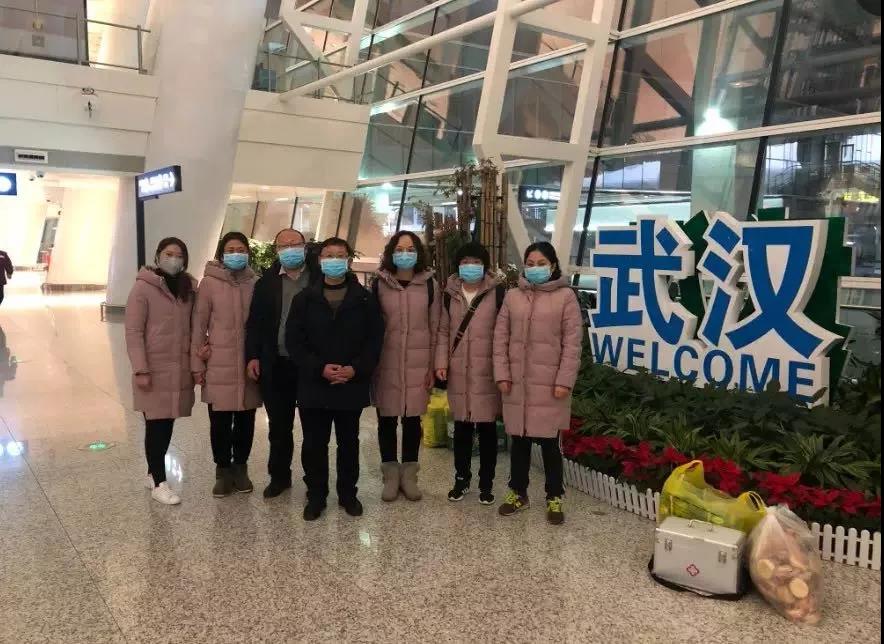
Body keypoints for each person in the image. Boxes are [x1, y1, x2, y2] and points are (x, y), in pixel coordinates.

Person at [287, 237, 384, 521]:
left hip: (350, 384)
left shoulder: (365, 299)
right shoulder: (304, 299)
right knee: (314, 444)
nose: (334, 260)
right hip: (313, 384)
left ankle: (348, 494)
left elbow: (374, 341)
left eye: (340, 255)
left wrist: (355, 369)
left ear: (349, 260)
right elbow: (294, 341)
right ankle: (316, 495)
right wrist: (319, 368)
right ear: (320, 261)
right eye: (328, 255)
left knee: (348, 443)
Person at [493, 241, 583, 525]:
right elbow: (500, 339)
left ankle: (554, 495)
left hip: (551, 386)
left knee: (550, 445)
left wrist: (564, 380)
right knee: (518, 442)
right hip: (517, 384)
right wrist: (502, 374)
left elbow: (572, 344)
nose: (535, 269)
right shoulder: (513, 297)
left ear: (553, 265)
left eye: (541, 264)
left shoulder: (566, 297)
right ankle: (518, 493)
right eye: (530, 264)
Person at [124, 238, 197, 505]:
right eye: (168, 254)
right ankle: (159, 483)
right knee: (157, 425)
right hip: (153, 369)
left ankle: (151, 473)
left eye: (179, 255)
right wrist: (140, 369)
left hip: (178, 368)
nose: (174, 259)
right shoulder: (142, 288)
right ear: (157, 256)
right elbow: (133, 332)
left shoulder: (188, 289)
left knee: (167, 422)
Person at [372, 231, 440, 502]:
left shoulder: (430, 284)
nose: (405, 254)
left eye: (410, 249)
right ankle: (390, 474)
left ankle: (409, 475)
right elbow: (371, 326)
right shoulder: (379, 283)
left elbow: (436, 327)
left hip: (418, 363)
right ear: (391, 252)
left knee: (412, 420)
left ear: (418, 253)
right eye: (399, 249)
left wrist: (434, 366)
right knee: (386, 419)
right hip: (385, 362)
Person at [192, 232, 262, 498]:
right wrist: (197, 363)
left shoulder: (255, 282)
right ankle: (222, 470)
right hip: (218, 362)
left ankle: (240, 468)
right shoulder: (209, 283)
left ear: (248, 253)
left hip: (248, 363)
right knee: (219, 422)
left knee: (246, 420)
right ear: (222, 254)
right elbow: (198, 325)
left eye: (241, 249)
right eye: (231, 250)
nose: (236, 254)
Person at [245, 228, 314, 498]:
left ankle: (313, 479)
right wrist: (252, 355)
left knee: (313, 428)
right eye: (284, 245)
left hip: (310, 364)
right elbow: (255, 323)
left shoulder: (318, 277)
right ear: (276, 250)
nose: (290, 249)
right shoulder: (266, 283)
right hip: (276, 363)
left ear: (305, 246)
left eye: (295, 244)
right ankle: (279, 477)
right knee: (279, 427)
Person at [435, 242, 505, 505]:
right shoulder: (449, 294)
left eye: (476, 262)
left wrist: (501, 369)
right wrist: (441, 362)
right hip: (458, 372)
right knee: (462, 429)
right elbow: (443, 331)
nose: (470, 266)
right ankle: (461, 479)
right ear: (458, 265)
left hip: (487, 372)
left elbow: (503, 333)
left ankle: (487, 484)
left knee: (487, 430)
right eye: (465, 261)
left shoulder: (498, 293)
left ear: (485, 265)